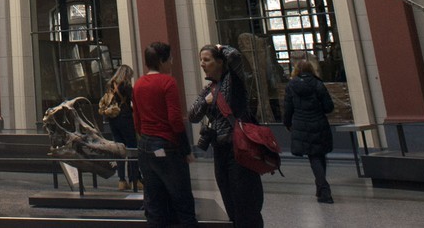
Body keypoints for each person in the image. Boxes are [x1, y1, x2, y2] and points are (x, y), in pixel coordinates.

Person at [189, 44, 264, 228]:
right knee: (229, 199)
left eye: (207, 59)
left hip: (239, 149)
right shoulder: (208, 89)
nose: (202, 64)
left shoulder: (233, 81)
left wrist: (221, 47)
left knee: (245, 201)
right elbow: (192, 115)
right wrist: (206, 102)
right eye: (201, 60)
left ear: (220, 62)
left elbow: (236, 57)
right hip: (220, 150)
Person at [133, 41, 198, 228]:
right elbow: (175, 119)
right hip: (167, 145)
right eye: (170, 59)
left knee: (154, 203)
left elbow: (137, 119)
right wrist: (186, 149)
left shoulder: (138, 84)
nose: (172, 62)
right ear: (162, 61)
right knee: (182, 200)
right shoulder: (168, 82)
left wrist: (145, 137)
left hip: (145, 145)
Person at [282, 56, 335, 204]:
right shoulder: (318, 84)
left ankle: (323, 188)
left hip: (301, 124)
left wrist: (287, 123)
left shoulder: (291, 86)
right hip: (319, 122)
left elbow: (288, 108)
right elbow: (328, 107)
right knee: (319, 154)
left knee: (314, 156)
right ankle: (322, 187)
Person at [103, 63, 139, 191]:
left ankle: (122, 180)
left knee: (119, 149)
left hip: (113, 119)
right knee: (131, 148)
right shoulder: (126, 86)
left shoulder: (110, 85)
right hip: (125, 118)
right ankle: (135, 179)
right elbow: (135, 101)